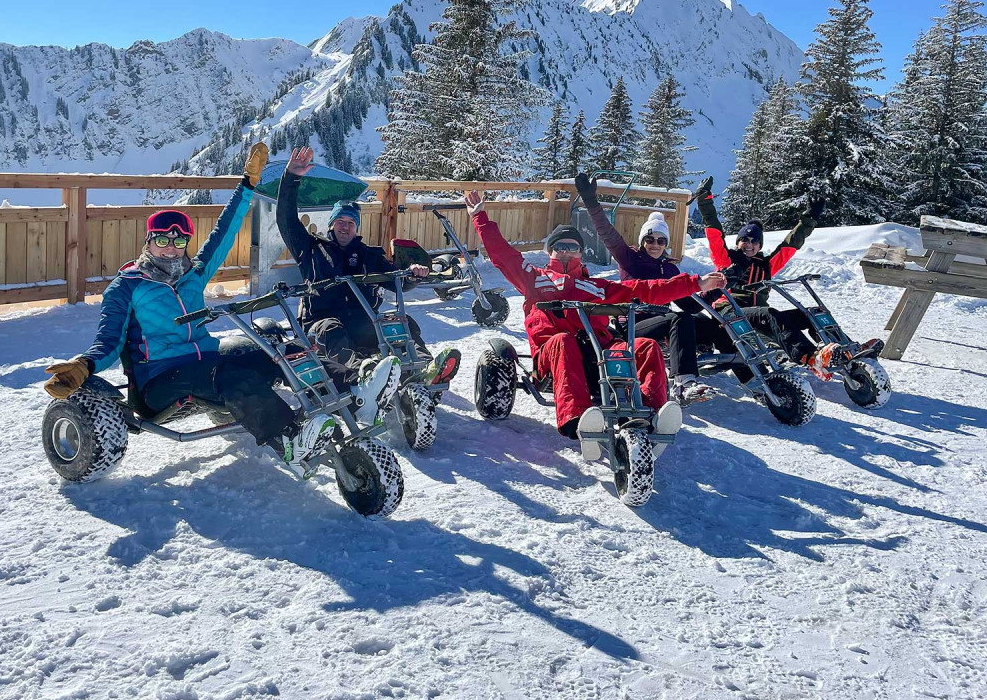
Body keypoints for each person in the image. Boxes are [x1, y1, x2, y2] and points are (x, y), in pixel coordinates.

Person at [43, 142, 401, 465]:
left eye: (179, 240)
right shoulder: (128, 285)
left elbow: (224, 232)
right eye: (162, 239)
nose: (171, 246)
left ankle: (354, 389)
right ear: (148, 241)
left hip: (205, 360)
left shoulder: (192, 274)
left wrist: (246, 185)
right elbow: (109, 339)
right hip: (158, 381)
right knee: (229, 374)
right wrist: (85, 366)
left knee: (283, 350)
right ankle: (288, 437)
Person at [464, 190, 726, 441]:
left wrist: (697, 283)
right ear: (550, 251)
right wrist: (480, 218)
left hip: (598, 354)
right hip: (553, 354)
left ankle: (651, 411)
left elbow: (645, 289)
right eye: (560, 246)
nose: (567, 251)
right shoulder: (534, 278)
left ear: (581, 252)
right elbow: (503, 255)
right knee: (564, 340)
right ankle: (575, 418)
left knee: (645, 347)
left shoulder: (597, 287)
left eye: (573, 247)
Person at [277, 146, 460, 384]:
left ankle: (424, 367)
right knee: (332, 329)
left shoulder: (369, 255)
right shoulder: (310, 249)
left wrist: (413, 276)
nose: (345, 227)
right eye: (340, 221)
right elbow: (286, 219)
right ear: (331, 224)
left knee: (403, 322)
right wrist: (290, 178)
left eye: (351, 222)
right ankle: (364, 375)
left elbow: (397, 282)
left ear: (357, 227)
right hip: (321, 325)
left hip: (362, 323)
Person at [574, 173, 729, 405]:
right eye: (650, 239)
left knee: (710, 321)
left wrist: (718, 288)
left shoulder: (669, 269)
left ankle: (745, 368)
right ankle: (684, 382)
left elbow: (688, 303)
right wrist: (591, 202)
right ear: (643, 240)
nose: (655, 245)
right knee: (679, 319)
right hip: (633, 324)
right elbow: (607, 233)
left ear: (666, 244)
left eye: (660, 241)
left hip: (662, 322)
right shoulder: (630, 259)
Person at [693, 177, 838, 378]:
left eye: (754, 241)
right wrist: (705, 201)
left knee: (812, 313)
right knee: (769, 314)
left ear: (760, 245)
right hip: (730, 313)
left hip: (757, 316)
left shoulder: (766, 266)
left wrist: (810, 218)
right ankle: (809, 357)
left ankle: (840, 351)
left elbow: (792, 243)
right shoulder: (726, 259)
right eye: (744, 239)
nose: (749, 244)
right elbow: (714, 231)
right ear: (738, 242)